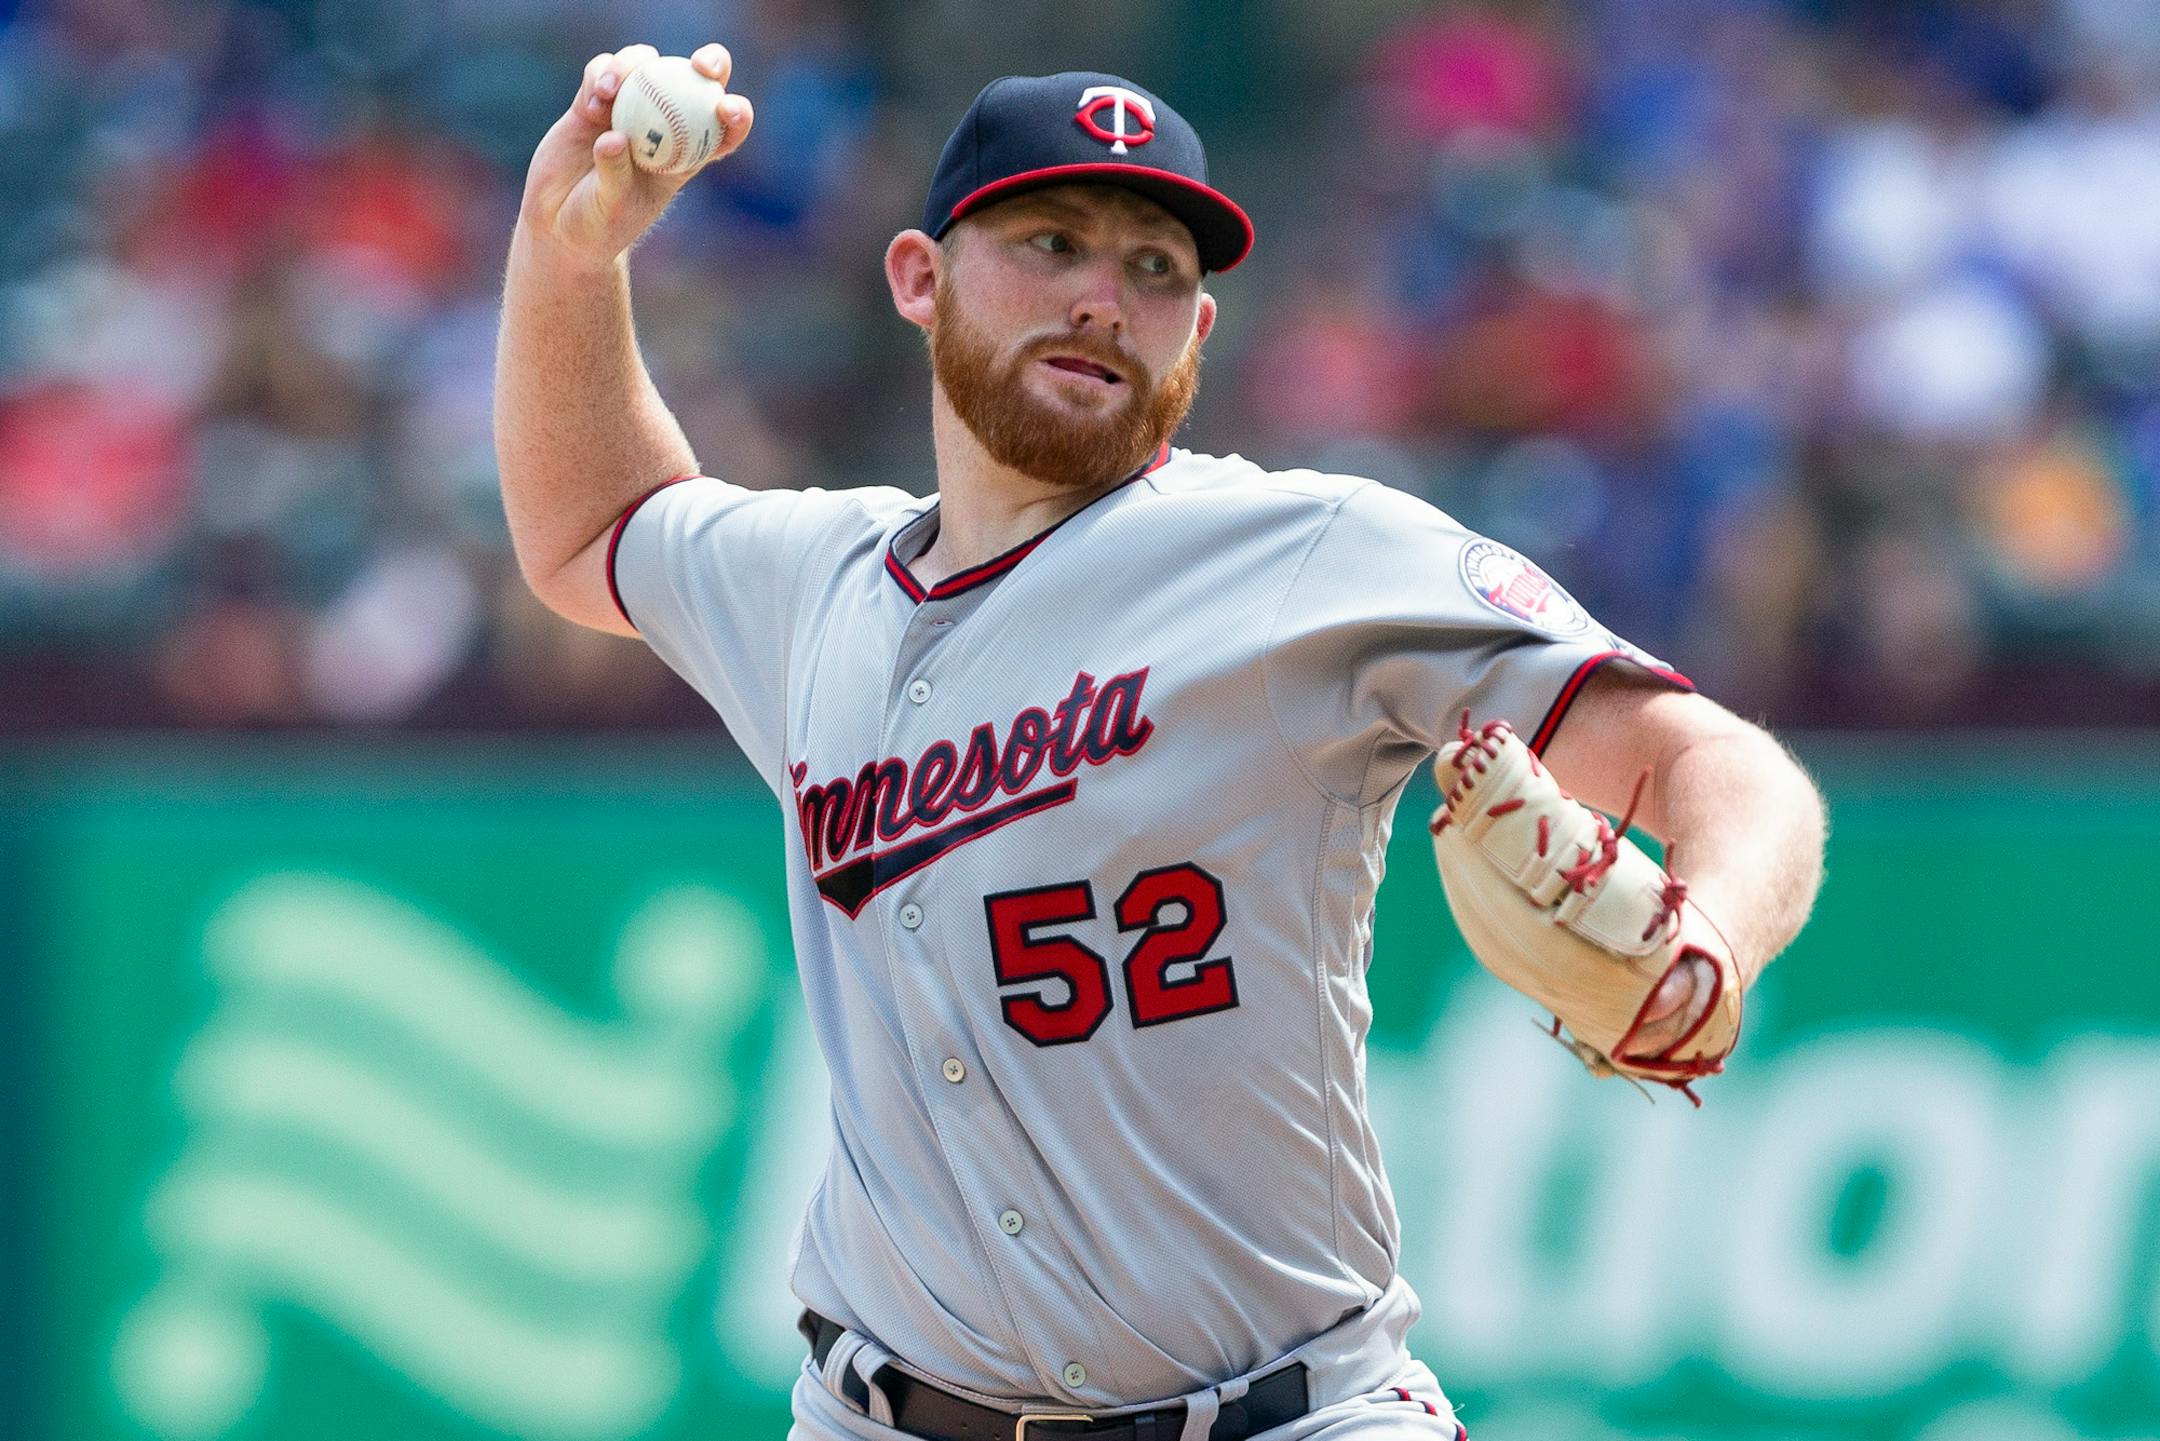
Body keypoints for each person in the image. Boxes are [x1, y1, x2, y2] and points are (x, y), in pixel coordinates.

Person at [495, 43, 1827, 1441]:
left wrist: (1714, 942)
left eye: (1155, 270)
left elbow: (1713, 762)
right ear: (918, 277)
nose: (1102, 296)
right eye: (1050, 240)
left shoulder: (1309, 556)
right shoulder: (812, 587)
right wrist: (570, 253)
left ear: (1197, 336)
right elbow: (592, 526)